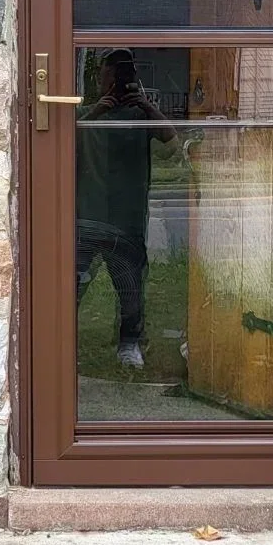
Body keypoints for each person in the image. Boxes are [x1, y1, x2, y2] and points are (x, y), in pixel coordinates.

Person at [75, 48, 176, 369]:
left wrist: (147, 106)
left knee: (131, 286)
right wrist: (93, 115)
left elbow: (172, 148)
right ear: (100, 77)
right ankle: (62, 342)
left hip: (127, 217)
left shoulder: (142, 116)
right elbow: (56, 145)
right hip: (86, 215)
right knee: (73, 283)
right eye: (112, 72)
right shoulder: (87, 114)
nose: (117, 80)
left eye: (124, 73)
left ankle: (129, 345)